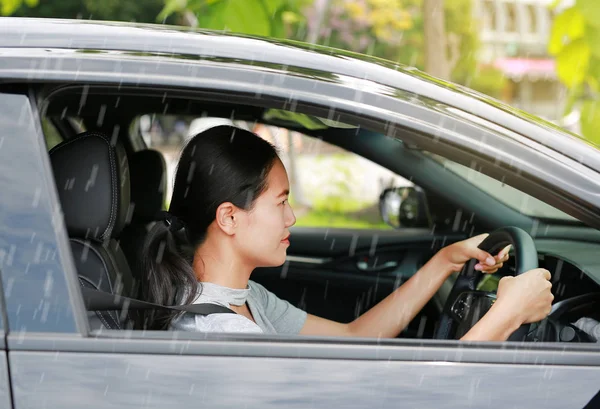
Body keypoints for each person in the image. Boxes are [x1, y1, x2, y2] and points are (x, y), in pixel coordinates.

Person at [140, 125, 554, 341]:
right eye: (281, 202)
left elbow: (356, 335)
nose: (292, 219)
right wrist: (507, 315)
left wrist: (446, 261)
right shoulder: (223, 334)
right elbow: (427, 399)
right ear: (229, 218)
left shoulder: (243, 299)